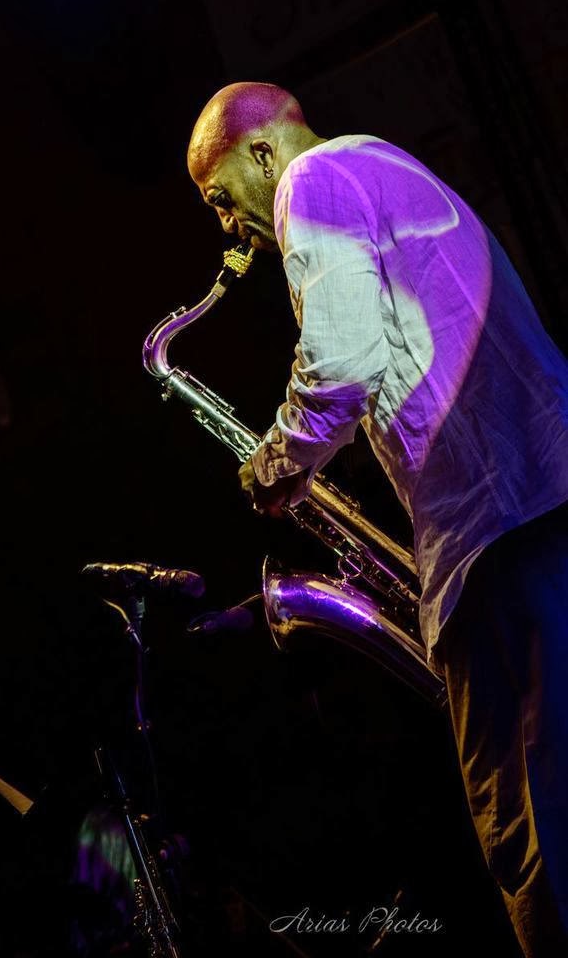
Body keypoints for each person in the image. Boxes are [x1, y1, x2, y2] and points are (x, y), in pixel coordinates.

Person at [187, 82, 568, 957]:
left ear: (261, 154)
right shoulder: (378, 167)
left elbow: (340, 364)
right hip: (528, 514)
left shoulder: (312, 179)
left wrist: (275, 466)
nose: (228, 229)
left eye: (219, 201)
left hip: (501, 537)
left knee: (530, 836)